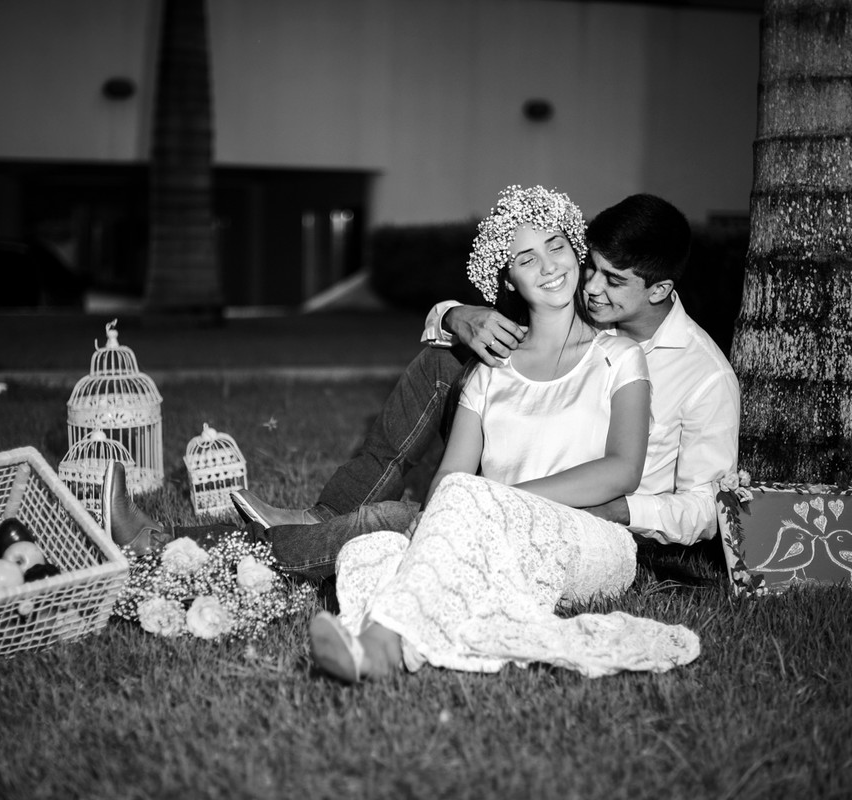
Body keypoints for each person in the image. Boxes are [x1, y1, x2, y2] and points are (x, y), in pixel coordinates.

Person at [299, 185, 699, 681]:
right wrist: (460, 513)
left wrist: (501, 502)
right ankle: (394, 647)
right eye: (526, 259)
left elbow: (622, 471)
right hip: (489, 526)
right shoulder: (492, 369)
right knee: (372, 548)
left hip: (593, 540)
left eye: (556, 246)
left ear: (576, 252)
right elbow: (450, 478)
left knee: (454, 510)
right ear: (508, 278)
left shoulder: (619, 356)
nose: (549, 266)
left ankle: (379, 643)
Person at [226, 192, 740, 579]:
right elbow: (528, 292)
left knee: (392, 523)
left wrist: (620, 508)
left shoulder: (700, 375)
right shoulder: (580, 306)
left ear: (660, 289)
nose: (591, 287)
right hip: (502, 485)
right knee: (443, 363)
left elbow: (705, 508)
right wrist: (455, 316)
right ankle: (322, 519)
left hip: (606, 525)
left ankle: (245, 557)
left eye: (613, 279)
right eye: (592, 267)